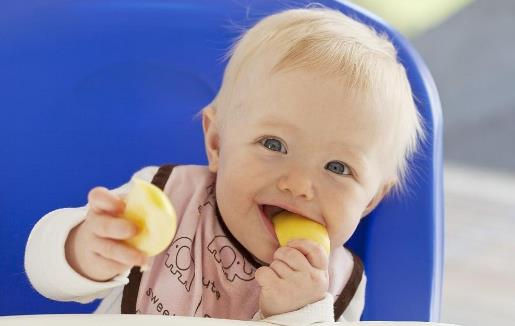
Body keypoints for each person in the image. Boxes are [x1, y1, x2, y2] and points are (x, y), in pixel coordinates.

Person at [25, 7, 424, 324]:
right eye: (274, 144)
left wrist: (300, 314)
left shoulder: (337, 285)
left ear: (371, 199)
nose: (300, 184)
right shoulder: (168, 198)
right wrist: (86, 249)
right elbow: (47, 276)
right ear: (217, 142)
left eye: (337, 167)